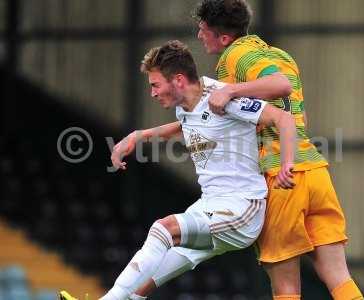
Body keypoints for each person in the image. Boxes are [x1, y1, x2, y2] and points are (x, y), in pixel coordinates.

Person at [131, 1, 364, 300]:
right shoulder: (281, 56)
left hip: (281, 177)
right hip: (315, 172)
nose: (200, 36)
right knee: (338, 276)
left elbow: (280, 87)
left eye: (203, 31)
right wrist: (144, 135)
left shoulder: (234, 57)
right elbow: (296, 115)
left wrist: (231, 89)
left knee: (286, 286)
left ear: (223, 37)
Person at [59, 40, 296, 300]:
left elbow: (282, 118)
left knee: (162, 228)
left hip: (243, 207)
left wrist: (287, 164)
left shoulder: (224, 98)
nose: (153, 92)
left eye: (155, 85)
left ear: (179, 80)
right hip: (210, 205)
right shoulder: (185, 106)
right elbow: (187, 126)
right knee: (146, 280)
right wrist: (139, 136)